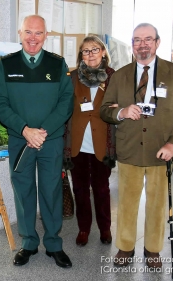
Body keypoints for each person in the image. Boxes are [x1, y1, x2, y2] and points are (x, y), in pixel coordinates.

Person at [100, 23, 173, 269]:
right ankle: (125, 247)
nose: (142, 44)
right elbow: (105, 110)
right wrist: (121, 111)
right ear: (132, 44)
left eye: (148, 39)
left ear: (157, 42)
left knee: (157, 204)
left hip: (160, 151)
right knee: (127, 203)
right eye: (137, 40)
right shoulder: (119, 76)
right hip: (129, 150)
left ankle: (153, 250)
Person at [0, 15, 74, 268]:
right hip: (20, 141)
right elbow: (0, 103)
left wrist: (43, 131)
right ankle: (29, 243)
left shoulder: (57, 64)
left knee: (51, 190)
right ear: (20, 33)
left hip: (50, 141)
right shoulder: (7, 64)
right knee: (23, 190)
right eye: (28, 32)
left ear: (45, 35)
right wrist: (25, 130)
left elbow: (66, 103)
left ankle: (53, 244)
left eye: (38, 33)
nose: (32, 38)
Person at [64, 35, 115, 247]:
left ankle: (105, 228)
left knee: (102, 189)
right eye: (86, 51)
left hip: (102, 142)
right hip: (77, 143)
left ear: (103, 52)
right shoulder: (72, 76)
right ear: (81, 55)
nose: (91, 54)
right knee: (80, 189)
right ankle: (83, 228)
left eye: (95, 49)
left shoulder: (113, 77)